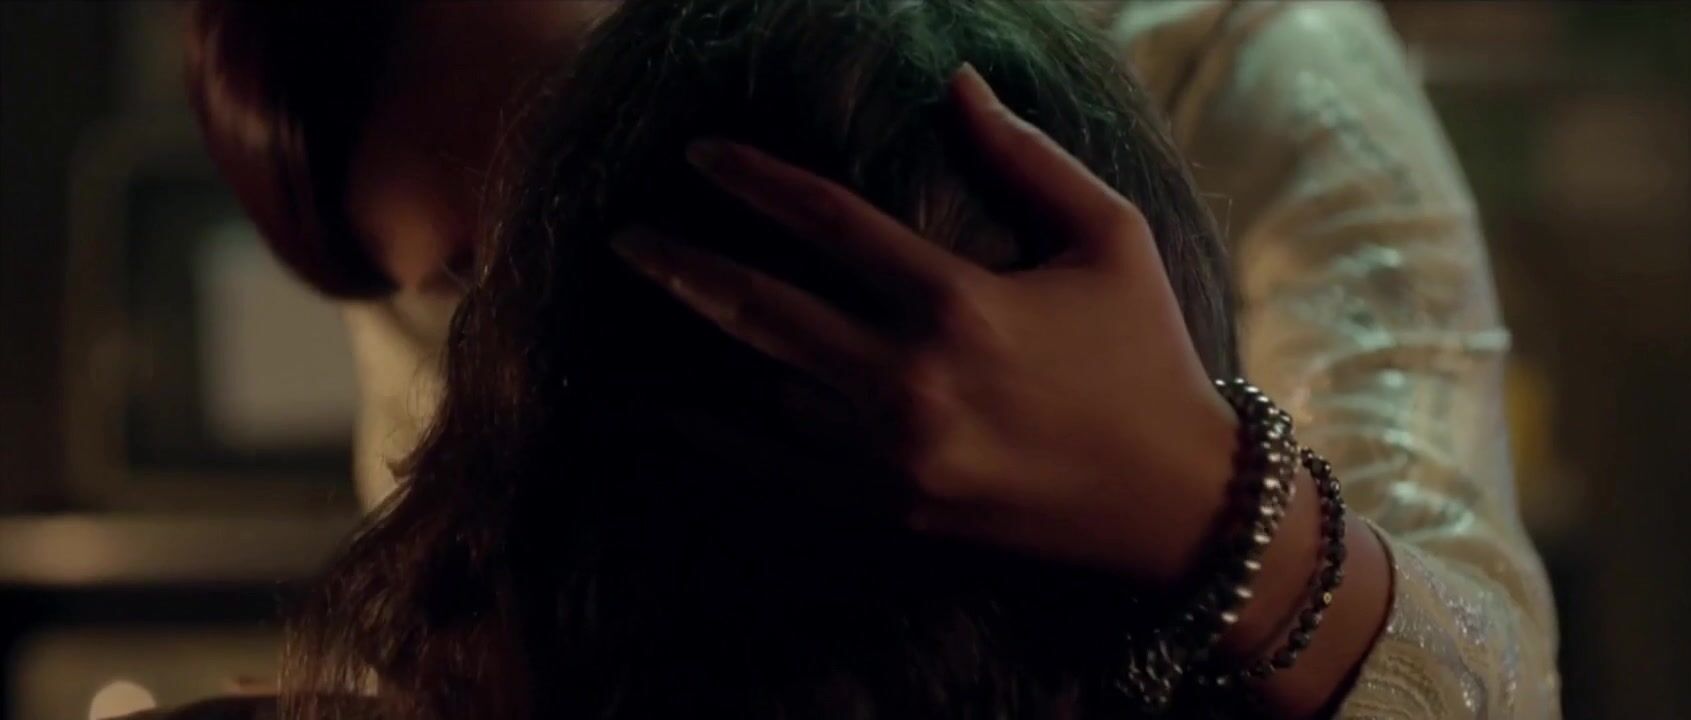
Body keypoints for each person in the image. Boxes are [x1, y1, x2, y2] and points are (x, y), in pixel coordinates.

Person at [182, 0, 1559, 718]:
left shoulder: (1241, 67)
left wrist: (1200, 495)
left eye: (573, 129)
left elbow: (1495, 689)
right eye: (468, 273)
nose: (557, 277)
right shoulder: (439, 210)